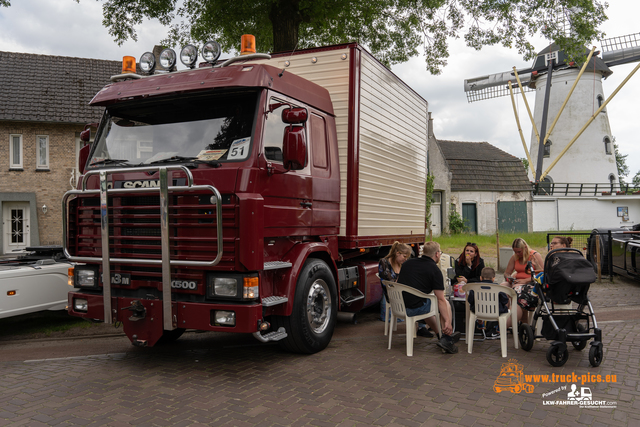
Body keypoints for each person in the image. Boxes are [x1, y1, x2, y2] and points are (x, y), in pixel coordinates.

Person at [397, 241, 460, 354]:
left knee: (426, 302)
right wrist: (447, 321)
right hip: (414, 308)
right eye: (440, 253)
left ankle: (440, 336)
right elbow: (440, 299)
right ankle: (447, 336)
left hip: (399, 307)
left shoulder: (408, 263)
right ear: (436, 254)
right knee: (444, 302)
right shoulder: (434, 270)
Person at [469, 267, 522, 339]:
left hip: (478, 311)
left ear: (481, 278)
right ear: (493, 278)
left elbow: (470, 300)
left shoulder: (474, 287)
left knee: (474, 306)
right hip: (495, 311)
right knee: (504, 308)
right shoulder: (498, 287)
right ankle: (499, 327)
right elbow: (505, 300)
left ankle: (480, 321)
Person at [501, 238, 544, 323]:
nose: (517, 254)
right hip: (516, 281)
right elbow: (507, 272)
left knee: (516, 289)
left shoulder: (535, 255)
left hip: (530, 283)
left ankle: (516, 319)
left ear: (525, 248)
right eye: (515, 252)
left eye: (519, 251)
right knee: (502, 287)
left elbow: (542, 274)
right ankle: (503, 312)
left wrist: (526, 280)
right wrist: (508, 278)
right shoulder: (515, 257)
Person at [378, 242, 412, 322]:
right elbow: (391, 282)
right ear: (397, 253)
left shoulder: (403, 264)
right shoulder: (384, 262)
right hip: (391, 294)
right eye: (404, 256)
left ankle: (423, 323)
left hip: (402, 292)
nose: (406, 259)